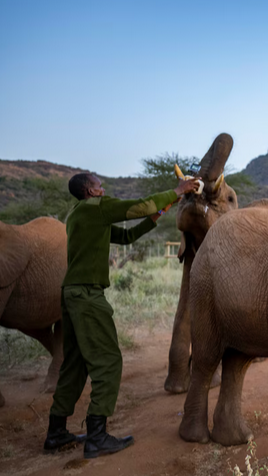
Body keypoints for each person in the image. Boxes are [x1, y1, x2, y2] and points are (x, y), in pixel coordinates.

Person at [43, 172, 200, 457]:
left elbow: (126, 236)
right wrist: (178, 191)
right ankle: (97, 437)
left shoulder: (77, 216)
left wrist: (153, 219)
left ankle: (55, 432)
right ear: (90, 192)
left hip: (70, 295)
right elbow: (141, 204)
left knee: (75, 364)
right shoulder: (99, 208)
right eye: (99, 185)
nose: (103, 188)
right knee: (109, 361)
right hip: (88, 297)